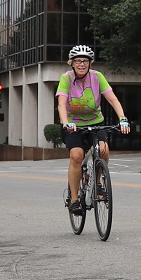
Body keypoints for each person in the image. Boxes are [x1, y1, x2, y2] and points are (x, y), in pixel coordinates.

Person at [56, 45, 131, 213]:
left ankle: (98, 183)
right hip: (73, 125)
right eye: (78, 61)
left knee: (103, 150)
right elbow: (61, 103)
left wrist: (123, 119)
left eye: (85, 61)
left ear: (90, 63)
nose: (81, 64)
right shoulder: (66, 78)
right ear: (72, 63)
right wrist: (66, 122)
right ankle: (75, 200)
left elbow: (113, 100)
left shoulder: (97, 77)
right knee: (76, 155)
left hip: (95, 122)